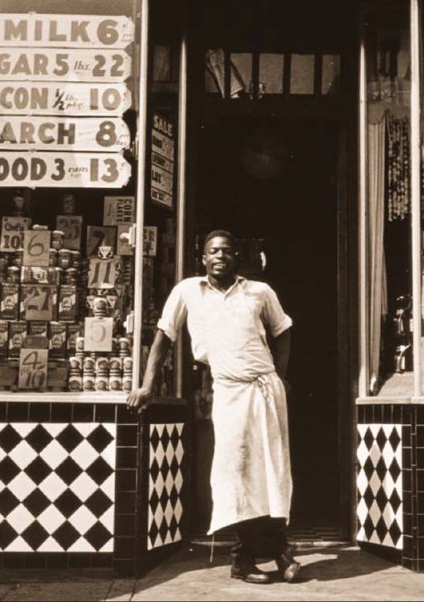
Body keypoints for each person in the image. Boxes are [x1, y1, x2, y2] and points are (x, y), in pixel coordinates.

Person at [127, 230, 300, 585]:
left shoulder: (259, 292)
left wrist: (280, 377)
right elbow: (164, 337)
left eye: (226, 251)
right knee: (235, 474)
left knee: (272, 471)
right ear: (203, 258)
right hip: (229, 392)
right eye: (213, 251)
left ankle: (261, 556)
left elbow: (283, 331)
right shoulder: (188, 291)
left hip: (265, 390)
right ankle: (264, 556)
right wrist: (146, 385)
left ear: (237, 256)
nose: (220, 256)